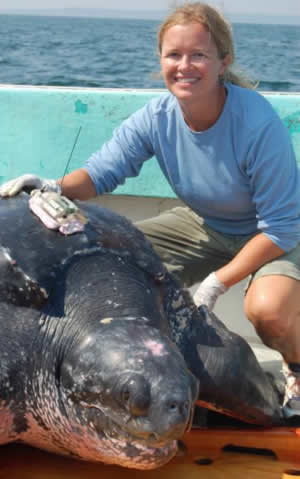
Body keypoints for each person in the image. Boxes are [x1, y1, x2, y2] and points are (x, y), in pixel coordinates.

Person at [1, 2, 300, 418]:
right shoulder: (155, 118)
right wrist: (52, 186)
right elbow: (103, 173)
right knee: (115, 268)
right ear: (161, 60)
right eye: (174, 55)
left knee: (268, 311)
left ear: (223, 61)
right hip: (204, 224)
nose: (185, 66)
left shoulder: (255, 121)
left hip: (275, 235)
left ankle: (296, 367)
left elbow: (281, 226)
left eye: (199, 55)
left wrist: (216, 282)